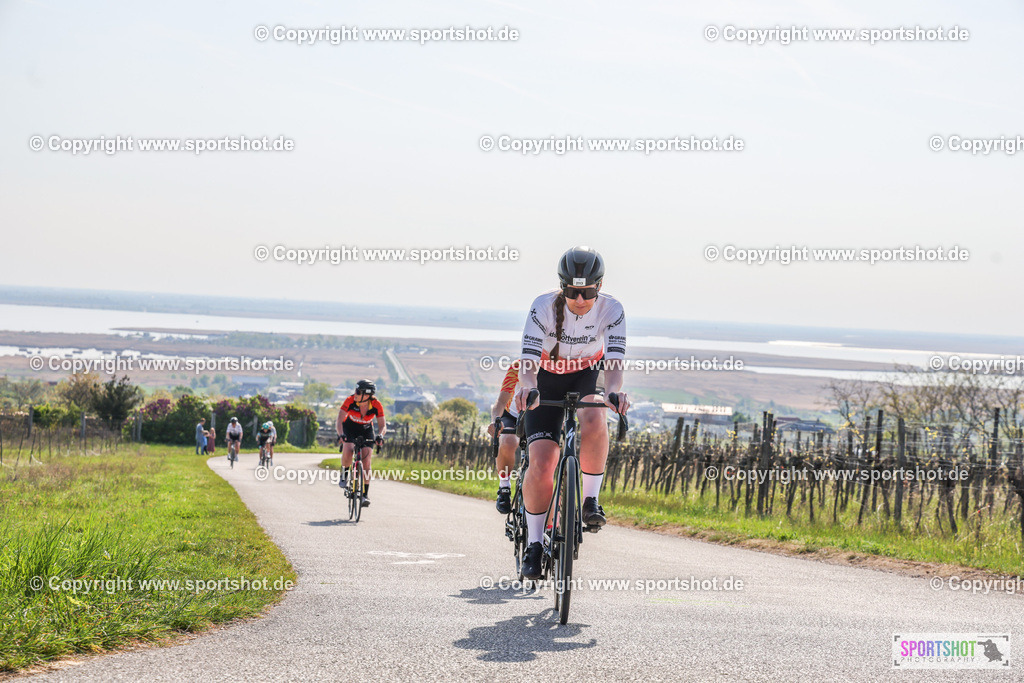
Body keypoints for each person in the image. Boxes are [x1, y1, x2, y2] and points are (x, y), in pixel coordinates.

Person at [514, 246, 630, 580]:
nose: (580, 299)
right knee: (542, 462)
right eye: (572, 292)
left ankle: (590, 502)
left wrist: (613, 392)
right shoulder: (543, 306)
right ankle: (535, 545)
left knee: (594, 418)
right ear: (561, 286)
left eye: (588, 292)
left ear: (600, 285)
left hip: (584, 374)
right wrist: (527, 387)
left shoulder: (613, 309)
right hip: (545, 380)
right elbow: (528, 360)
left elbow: (615, 363)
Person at [335, 379, 387, 506]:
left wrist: (380, 435)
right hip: (349, 427)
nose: (355, 393)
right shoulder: (350, 400)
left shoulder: (376, 405)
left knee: (367, 461)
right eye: (355, 390)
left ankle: (365, 495)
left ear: (367, 395)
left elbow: (382, 425)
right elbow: (339, 420)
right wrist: (341, 434)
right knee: (347, 451)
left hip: (366, 430)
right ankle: (344, 474)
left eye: (358, 391)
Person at [487, 360, 521, 514]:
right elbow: (500, 401)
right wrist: (495, 421)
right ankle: (504, 486)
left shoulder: (559, 367)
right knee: (508, 441)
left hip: (540, 418)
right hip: (512, 415)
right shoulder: (519, 366)